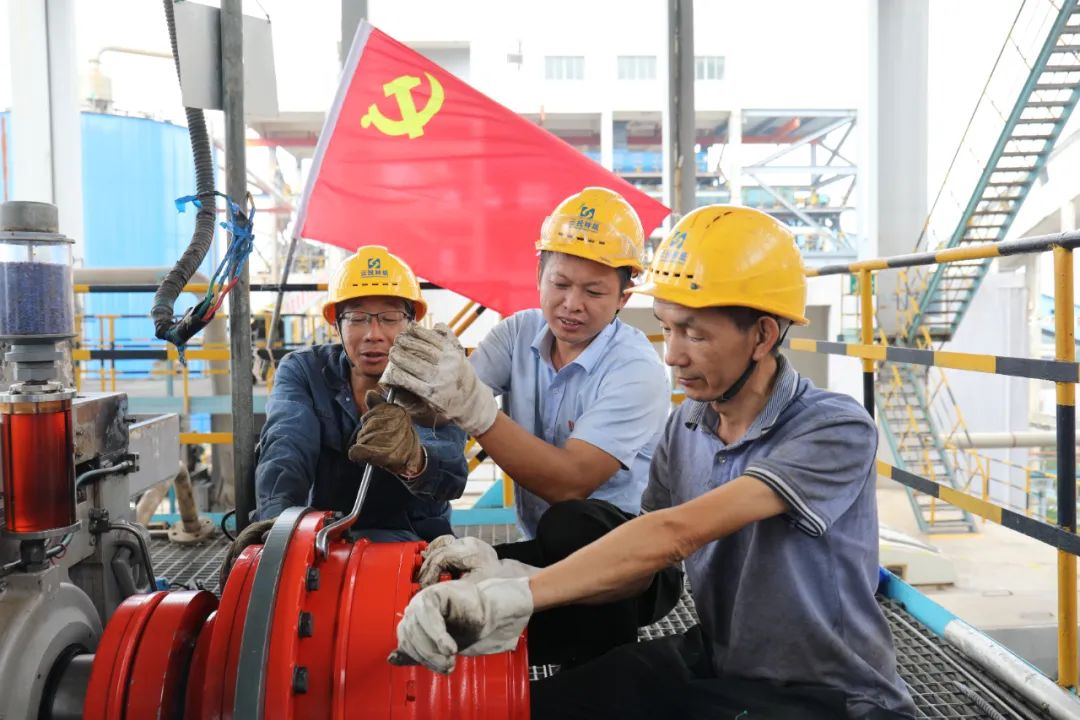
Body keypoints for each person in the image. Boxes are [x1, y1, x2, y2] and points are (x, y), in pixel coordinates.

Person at [386, 206, 917, 719]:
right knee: (543, 709)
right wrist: (508, 571)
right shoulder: (685, 428)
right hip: (717, 659)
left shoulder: (832, 428)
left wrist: (517, 596)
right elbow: (641, 570)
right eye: (668, 327)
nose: (673, 354)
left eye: (695, 333)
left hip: (829, 694)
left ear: (762, 335)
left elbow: (675, 533)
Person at [385, 187, 681, 667]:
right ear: (539, 273)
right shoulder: (516, 333)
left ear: (624, 296)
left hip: (638, 564)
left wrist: (478, 411)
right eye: (560, 283)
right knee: (448, 582)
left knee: (574, 521)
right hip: (551, 549)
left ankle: (606, 672)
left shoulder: (636, 368)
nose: (572, 304)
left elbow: (570, 483)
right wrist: (408, 403)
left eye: (594, 292)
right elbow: (448, 403)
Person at [222, 246, 469, 582]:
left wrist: (414, 459)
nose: (373, 334)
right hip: (321, 542)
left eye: (390, 317)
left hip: (416, 547)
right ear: (336, 323)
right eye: (357, 318)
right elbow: (286, 446)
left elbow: (452, 472)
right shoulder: (304, 371)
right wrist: (277, 527)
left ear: (411, 322)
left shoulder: (436, 377)